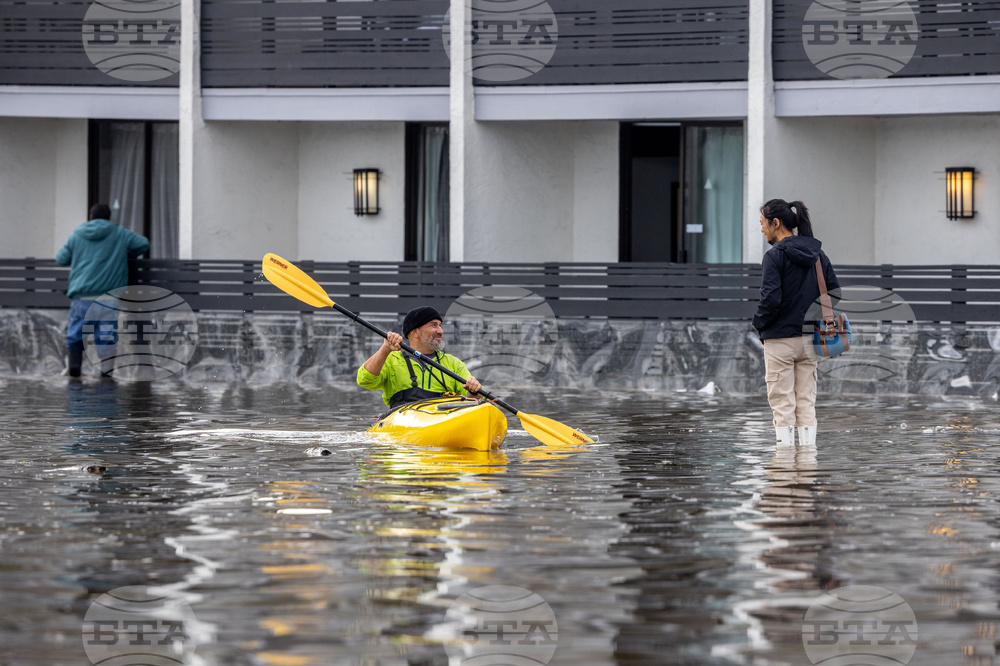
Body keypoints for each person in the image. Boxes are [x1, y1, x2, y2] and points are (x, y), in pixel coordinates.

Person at [752, 199, 840, 448]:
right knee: (806, 402)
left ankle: (784, 467)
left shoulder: (774, 256)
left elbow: (770, 299)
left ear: (775, 223)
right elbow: (834, 293)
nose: (761, 229)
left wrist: (758, 323)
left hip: (780, 339)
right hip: (810, 340)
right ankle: (807, 462)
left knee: (782, 404)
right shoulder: (818, 255)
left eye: (762, 223)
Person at [55, 203, 150, 378]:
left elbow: (61, 259)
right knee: (106, 334)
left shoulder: (77, 235)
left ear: (90, 217)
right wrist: (125, 252)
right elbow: (143, 244)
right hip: (108, 297)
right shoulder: (119, 233)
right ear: (108, 218)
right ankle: (105, 376)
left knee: (76, 332)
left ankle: (74, 371)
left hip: (82, 295)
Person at [357, 306, 482, 409]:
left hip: (442, 418)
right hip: (402, 420)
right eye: (433, 325)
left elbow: (473, 400)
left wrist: (474, 390)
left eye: (440, 325)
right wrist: (385, 349)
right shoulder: (391, 358)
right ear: (414, 332)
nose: (440, 331)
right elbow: (365, 381)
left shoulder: (453, 363)